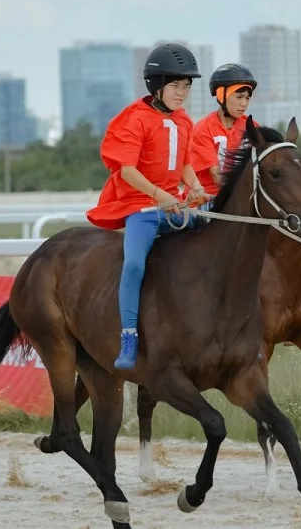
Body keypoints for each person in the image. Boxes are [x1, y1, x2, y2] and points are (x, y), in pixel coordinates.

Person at [85, 43, 207, 369]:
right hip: (141, 206)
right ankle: (128, 337)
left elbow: (184, 165)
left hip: (175, 205)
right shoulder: (133, 120)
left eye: (186, 87)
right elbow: (126, 170)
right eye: (176, 86)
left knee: (219, 234)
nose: (182, 93)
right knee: (135, 264)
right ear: (157, 85)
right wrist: (160, 196)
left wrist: (195, 188)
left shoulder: (184, 121)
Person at [189, 63, 257, 196]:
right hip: (208, 200)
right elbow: (217, 177)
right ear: (222, 95)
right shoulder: (204, 129)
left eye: (247, 98)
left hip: (241, 197)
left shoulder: (252, 126)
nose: (244, 103)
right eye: (239, 97)